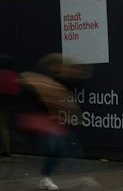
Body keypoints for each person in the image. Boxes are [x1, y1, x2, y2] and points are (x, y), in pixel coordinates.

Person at [20, 54, 94, 190]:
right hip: (41, 121)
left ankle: (61, 176)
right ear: (53, 66)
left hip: (50, 122)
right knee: (55, 147)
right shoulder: (38, 79)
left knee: (66, 148)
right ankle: (49, 178)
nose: (62, 67)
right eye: (60, 65)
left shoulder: (56, 81)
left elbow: (61, 96)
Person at [0, 55, 19, 158]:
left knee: (2, 127)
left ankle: (6, 149)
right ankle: (7, 147)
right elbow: (16, 89)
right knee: (7, 126)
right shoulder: (13, 75)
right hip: (11, 102)